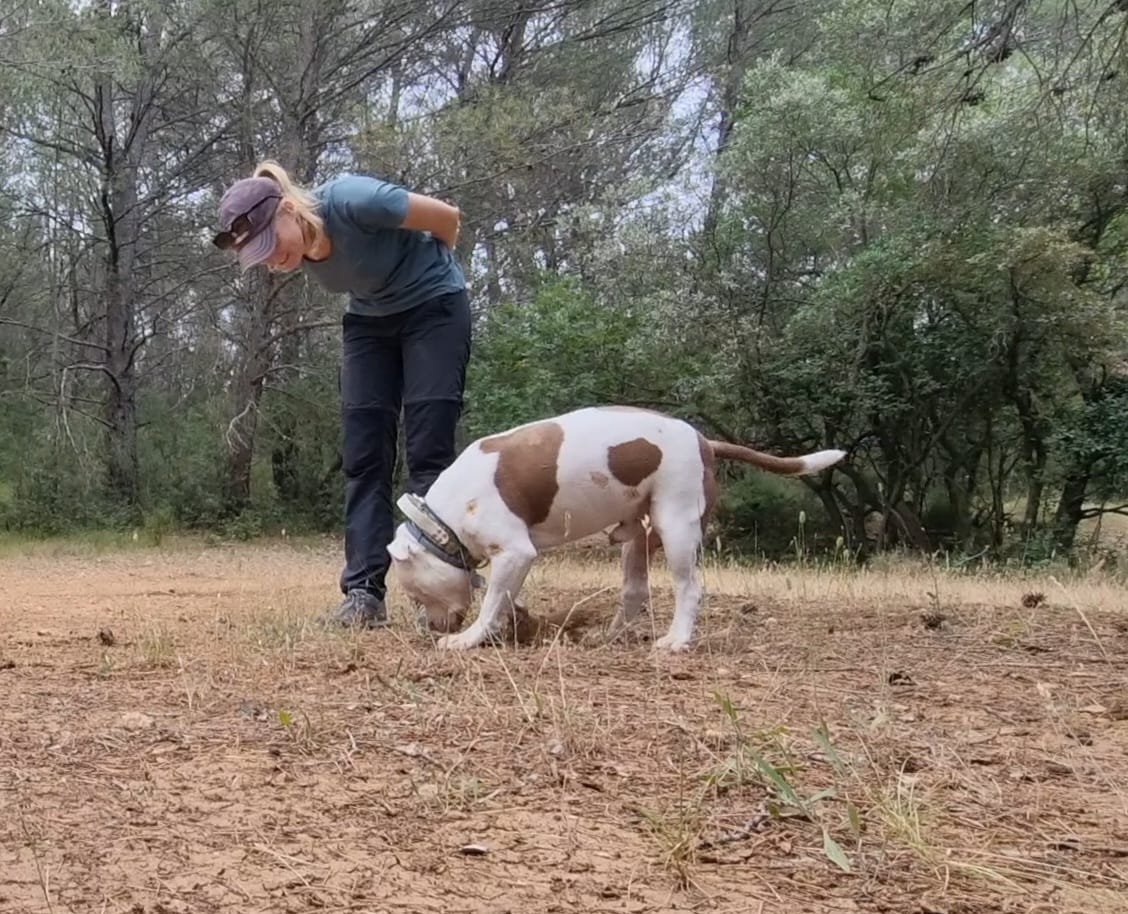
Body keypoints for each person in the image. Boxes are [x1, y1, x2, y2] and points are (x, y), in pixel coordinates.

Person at [212, 161, 471, 628]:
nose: (273, 261)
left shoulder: (354, 200)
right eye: (260, 256)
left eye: (272, 244)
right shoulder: (299, 241)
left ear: (289, 210)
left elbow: (447, 219)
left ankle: (438, 590)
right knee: (363, 456)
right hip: (370, 323)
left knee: (428, 450)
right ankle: (363, 595)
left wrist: (433, 278)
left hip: (434, 309)